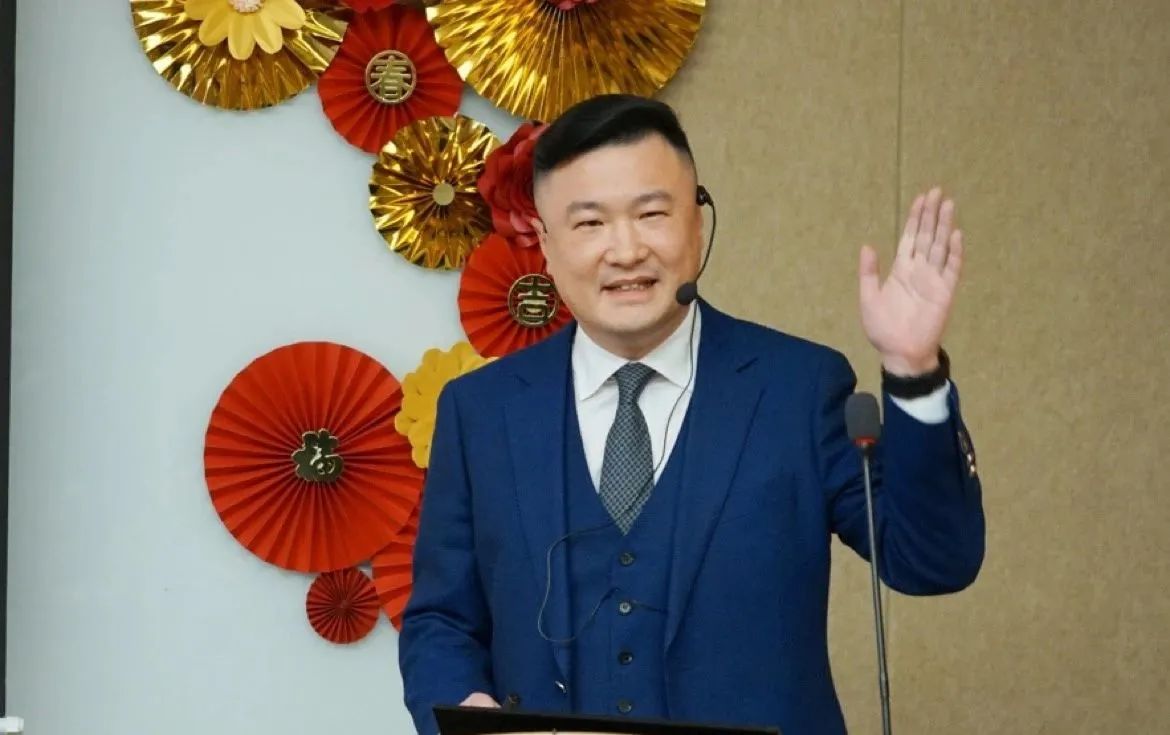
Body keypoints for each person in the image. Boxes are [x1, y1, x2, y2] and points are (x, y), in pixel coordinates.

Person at [398, 93, 985, 735]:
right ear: (546, 243)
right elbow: (441, 620)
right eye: (590, 224)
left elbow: (931, 561)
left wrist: (914, 369)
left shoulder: (798, 387)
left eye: (652, 214)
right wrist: (462, 707)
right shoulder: (480, 412)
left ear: (697, 223)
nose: (625, 250)